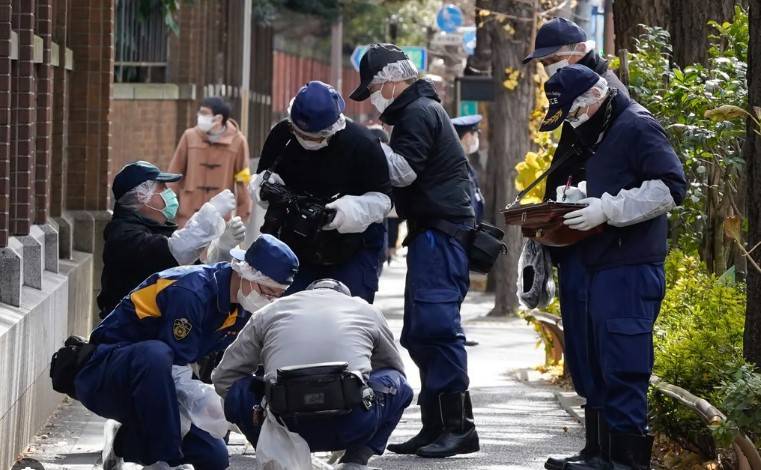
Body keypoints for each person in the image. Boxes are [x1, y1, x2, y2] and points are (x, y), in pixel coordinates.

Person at [540, 65, 686, 470]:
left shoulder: (636, 125)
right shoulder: (585, 131)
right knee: (589, 361)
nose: (571, 121)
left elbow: (670, 188)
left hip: (626, 263)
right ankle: (598, 452)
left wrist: (609, 208)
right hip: (583, 260)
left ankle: (625, 460)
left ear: (594, 98)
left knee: (622, 360)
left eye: (573, 112)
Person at [71, 234, 299, 470]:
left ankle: (124, 440)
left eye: (278, 294)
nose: (270, 300)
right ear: (247, 273)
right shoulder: (191, 292)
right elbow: (172, 366)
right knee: (156, 355)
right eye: (267, 291)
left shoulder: (240, 309)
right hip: (106, 372)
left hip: (158, 384)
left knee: (213, 458)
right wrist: (204, 400)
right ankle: (161, 457)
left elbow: (240, 367)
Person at [350, 43, 478, 458]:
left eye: (373, 87)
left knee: (437, 329)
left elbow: (404, 171)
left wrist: (366, 145)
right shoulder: (415, 111)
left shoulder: (419, 112)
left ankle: (457, 428)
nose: (373, 96)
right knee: (421, 332)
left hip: (442, 234)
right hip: (430, 234)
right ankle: (436, 424)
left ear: (391, 80)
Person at [522, 17, 629, 470]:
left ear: (574, 51)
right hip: (575, 231)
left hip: (601, 240)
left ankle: (610, 453)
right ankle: (594, 448)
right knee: (583, 346)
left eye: (550, 59)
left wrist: (593, 204)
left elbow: (652, 178)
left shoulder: (605, 97)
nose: (546, 69)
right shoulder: (577, 92)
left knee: (603, 349)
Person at [211, 279, 413, 470]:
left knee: (239, 390)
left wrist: (259, 406)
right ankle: (355, 460)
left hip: (285, 426)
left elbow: (224, 377)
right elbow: (393, 370)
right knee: (398, 384)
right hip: (353, 424)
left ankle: (277, 454)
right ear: (344, 296)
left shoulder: (269, 312)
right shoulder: (367, 310)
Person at [250, 81, 392, 303]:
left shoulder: (362, 145)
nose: (305, 140)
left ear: (333, 128)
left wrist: (343, 213)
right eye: (299, 133)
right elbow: (263, 176)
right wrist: (266, 190)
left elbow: (383, 200)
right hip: (294, 247)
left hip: (350, 250)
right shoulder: (283, 135)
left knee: (348, 319)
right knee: (287, 314)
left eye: (314, 137)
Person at [97, 161, 246, 318]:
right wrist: (211, 213)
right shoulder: (123, 236)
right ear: (142, 196)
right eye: (163, 188)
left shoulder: (157, 230)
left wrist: (222, 251)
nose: (170, 193)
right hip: (127, 330)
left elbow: (199, 278)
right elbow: (172, 253)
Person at [168, 96, 252, 227]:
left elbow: (243, 179)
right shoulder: (189, 136)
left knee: (216, 248)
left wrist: (242, 214)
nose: (200, 117)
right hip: (188, 215)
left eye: (205, 113)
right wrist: (167, 208)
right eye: (200, 112)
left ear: (218, 119)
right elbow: (174, 174)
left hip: (219, 218)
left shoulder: (238, 141)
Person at [451, 114, 486, 224]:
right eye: (475, 133)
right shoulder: (455, 165)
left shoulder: (464, 164)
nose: (476, 138)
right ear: (466, 135)